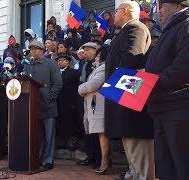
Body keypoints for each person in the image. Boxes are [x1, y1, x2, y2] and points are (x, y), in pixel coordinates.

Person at [105, 1, 154, 180]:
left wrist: (113, 81)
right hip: (123, 96)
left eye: (116, 10)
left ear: (126, 11)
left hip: (130, 98)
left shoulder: (136, 28)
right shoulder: (125, 31)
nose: (114, 13)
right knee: (131, 149)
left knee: (138, 148)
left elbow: (130, 60)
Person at [145, 1, 189, 179]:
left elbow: (184, 67)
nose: (158, 10)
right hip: (163, 108)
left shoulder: (185, 26)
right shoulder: (171, 28)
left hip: (178, 108)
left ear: (178, 6)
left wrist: (152, 81)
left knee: (181, 166)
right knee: (165, 167)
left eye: (162, 5)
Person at [28, 39, 62, 170]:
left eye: (36, 49)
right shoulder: (29, 65)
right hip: (33, 107)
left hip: (48, 106)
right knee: (37, 135)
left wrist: (49, 98)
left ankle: (49, 160)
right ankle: (37, 157)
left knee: (49, 135)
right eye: (31, 49)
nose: (33, 51)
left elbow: (58, 84)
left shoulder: (51, 64)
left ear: (42, 50)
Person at [78, 45, 110, 175]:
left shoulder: (103, 68)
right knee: (98, 134)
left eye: (97, 55)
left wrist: (80, 89)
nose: (96, 57)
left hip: (99, 105)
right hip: (94, 105)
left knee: (102, 134)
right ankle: (100, 160)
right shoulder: (98, 67)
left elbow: (94, 84)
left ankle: (105, 161)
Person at [76, 42, 101, 168]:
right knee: (87, 128)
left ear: (94, 50)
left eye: (87, 50)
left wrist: (82, 88)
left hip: (95, 100)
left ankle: (98, 158)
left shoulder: (99, 64)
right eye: (83, 50)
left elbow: (95, 83)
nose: (84, 52)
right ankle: (90, 155)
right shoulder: (84, 63)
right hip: (84, 98)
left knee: (96, 129)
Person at [55, 53, 79, 152]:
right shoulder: (55, 72)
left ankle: (71, 141)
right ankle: (61, 141)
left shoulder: (73, 72)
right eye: (58, 60)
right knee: (59, 121)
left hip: (69, 101)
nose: (60, 62)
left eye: (62, 60)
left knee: (70, 121)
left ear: (68, 62)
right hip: (58, 101)